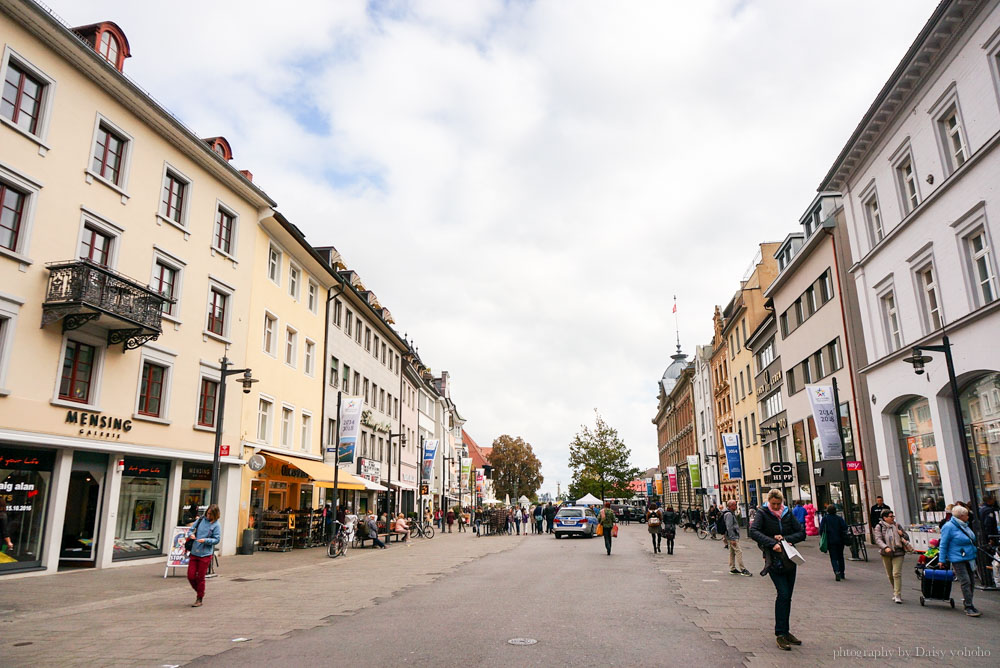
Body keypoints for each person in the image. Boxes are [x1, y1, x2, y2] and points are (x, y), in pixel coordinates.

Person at [749, 489, 805, 652]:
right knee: (783, 594)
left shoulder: (787, 513)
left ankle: (786, 631)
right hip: (773, 559)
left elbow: (801, 533)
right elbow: (754, 531)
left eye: (778, 504)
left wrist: (786, 539)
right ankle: (780, 633)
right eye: (773, 504)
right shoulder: (763, 513)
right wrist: (771, 541)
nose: (775, 506)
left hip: (789, 558)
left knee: (788, 597)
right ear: (769, 501)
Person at [939, 504, 980, 616]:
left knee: (971, 581)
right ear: (961, 516)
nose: (968, 517)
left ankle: (969, 601)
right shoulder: (949, 527)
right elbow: (943, 544)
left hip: (969, 556)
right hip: (957, 558)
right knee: (965, 581)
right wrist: (941, 560)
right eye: (966, 515)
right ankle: (968, 606)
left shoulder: (965, 525)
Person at [186, 503, 221, 608]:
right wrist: (191, 534)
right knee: (191, 576)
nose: (208, 515)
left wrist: (206, 540)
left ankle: (199, 598)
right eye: (207, 513)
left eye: (210, 514)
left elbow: (217, 539)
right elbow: (191, 529)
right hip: (194, 551)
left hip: (205, 554)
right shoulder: (201, 520)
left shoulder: (216, 525)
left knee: (200, 577)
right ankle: (200, 591)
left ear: (215, 515)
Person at [873, 508, 911, 604]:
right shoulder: (879, 527)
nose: (893, 518)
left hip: (898, 552)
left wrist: (902, 534)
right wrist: (885, 547)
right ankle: (895, 591)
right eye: (891, 516)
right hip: (886, 553)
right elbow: (878, 539)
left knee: (896, 574)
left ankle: (897, 594)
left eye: (893, 516)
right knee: (890, 575)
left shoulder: (897, 526)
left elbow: (907, 537)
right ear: (885, 518)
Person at [819, 504, 848, 581]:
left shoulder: (825, 518)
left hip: (830, 541)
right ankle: (842, 573)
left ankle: (836, 571)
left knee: (833, 557)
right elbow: (845, 527)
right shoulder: (839, 518)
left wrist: (822, 536)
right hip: (840, 540)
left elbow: (821, 529)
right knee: (840, 557)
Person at [723, 500, 752, 576]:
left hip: (731, 536)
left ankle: (732, 568)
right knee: (739, 551)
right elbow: (729, 527)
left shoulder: (730, 513)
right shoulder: (729, 514)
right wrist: (732, 538)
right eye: (735, 505)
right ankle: (743, 569)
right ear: (731, 506)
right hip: (733, 537)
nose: (736, 506)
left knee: (732, 552)